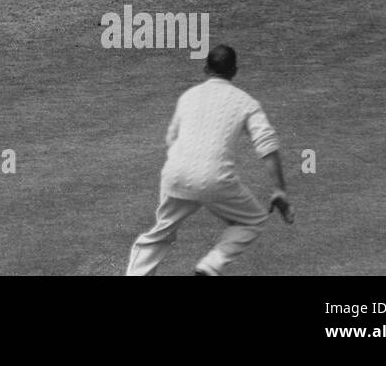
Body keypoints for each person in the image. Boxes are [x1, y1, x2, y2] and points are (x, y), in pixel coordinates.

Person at [125, 44, 292, 276]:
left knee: (160, 233)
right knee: (252, 220)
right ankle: (211, 266)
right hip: (216, 178)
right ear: (234, 70)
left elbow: (171, 138)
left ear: (205, 69)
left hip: (175, 174)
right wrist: (279, 189)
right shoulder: (246, 102)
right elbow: (267, 144)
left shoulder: (188, 97)